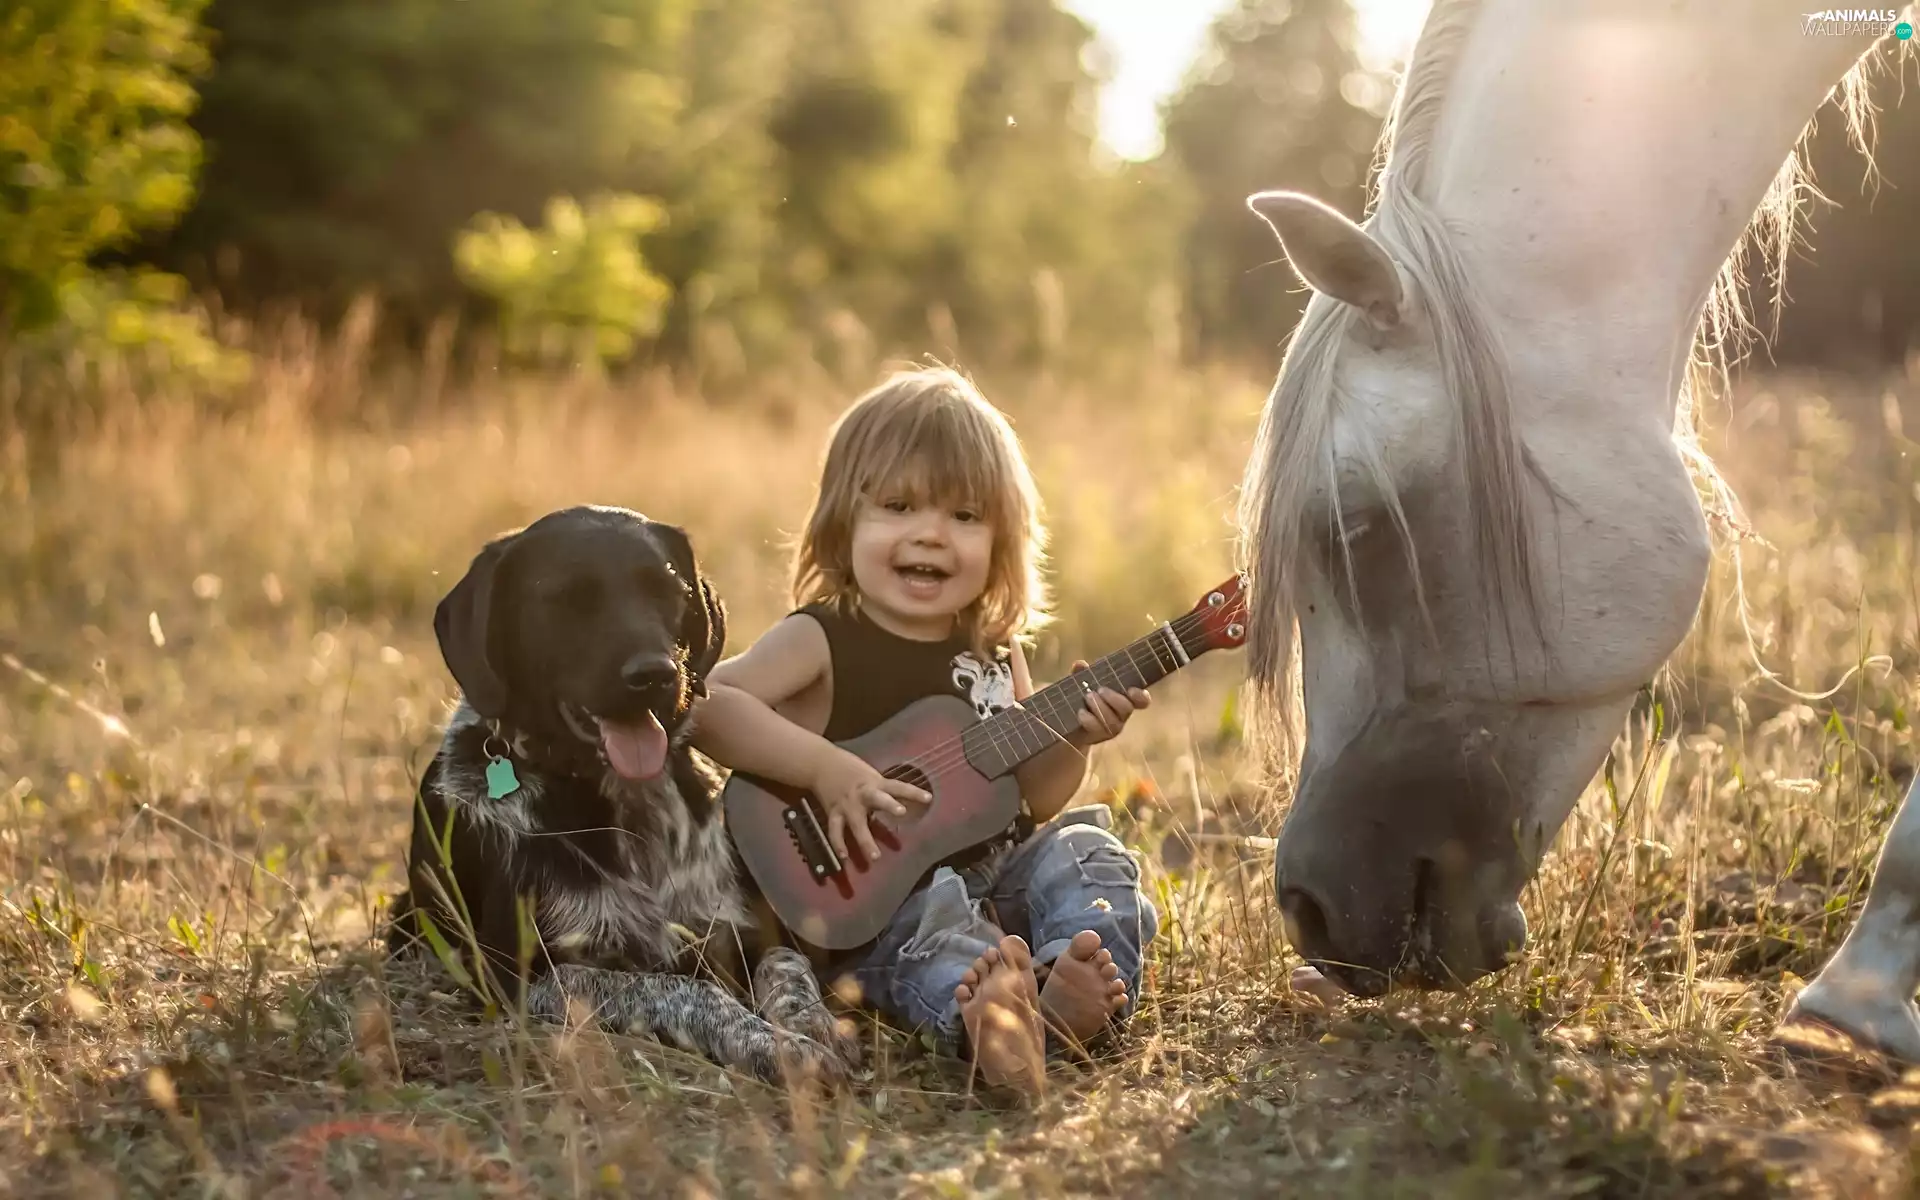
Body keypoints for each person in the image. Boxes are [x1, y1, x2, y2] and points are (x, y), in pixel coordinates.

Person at [692, 365, 1161, 1095]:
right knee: (940, 936)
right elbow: (709, 705)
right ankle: (992, 1024)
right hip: (877, 907)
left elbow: (1034, 802)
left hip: (998, 880)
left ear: (1002, 541)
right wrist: (825, 769)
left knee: (1089, 852)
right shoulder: (823, 637)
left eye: (965, 517)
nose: (931, 535)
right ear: (844, 521)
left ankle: (1072, 988)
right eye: (900, 505)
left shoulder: (996, 653)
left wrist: (1076, 740)